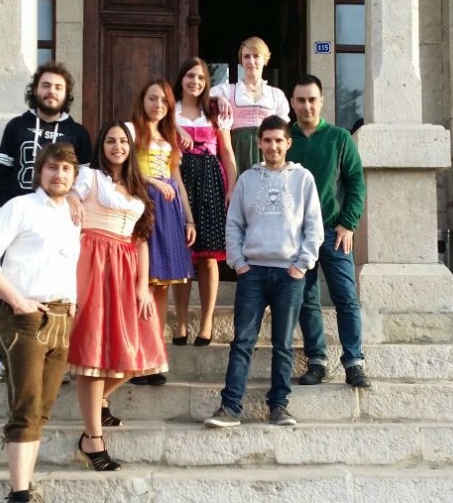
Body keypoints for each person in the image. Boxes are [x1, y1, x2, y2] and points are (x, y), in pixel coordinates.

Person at [0, 142, 80, 503]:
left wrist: (72, 302)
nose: (59, 174)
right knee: (25, 408)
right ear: (39, 171)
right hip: (25, 321)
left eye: (66, 169)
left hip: (61, 319)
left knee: (42, 410)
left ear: (74, 176)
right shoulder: (20, 207)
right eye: (53, 167)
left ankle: (25, 486)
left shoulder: (71, 216)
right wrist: (16, 301)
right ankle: (18, 494)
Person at [0, 61, 91, 386]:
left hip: (60, 225)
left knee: (56, 290)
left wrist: (70, 201)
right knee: (8, 288)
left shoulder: (78, 133)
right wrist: (19, 214)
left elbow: (84, 180)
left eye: (58, 87)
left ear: (66, 94)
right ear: (36, 90)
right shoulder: (16, 127)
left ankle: (52, 358)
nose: (51, 92)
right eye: (46, 85)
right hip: (21, 225)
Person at [204, 115, 323, 428]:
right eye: (267, 140)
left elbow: (314, 226)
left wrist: (302, 264)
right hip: (253, 272)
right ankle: (230, 408)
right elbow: (234, 224)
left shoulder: (303, 179)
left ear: (288, 143)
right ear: (259, 142)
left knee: (283, 344)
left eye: (278, 140)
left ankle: (279, 406)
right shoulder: (247, 179)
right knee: (242, 342)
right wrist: (239, 263)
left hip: (289, 274)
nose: (273, 146)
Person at [66, 121, 163, 471]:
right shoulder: (89, 177)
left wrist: (143, 285)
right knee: (93, 353)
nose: (117, 146)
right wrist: (72, 199)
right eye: (110, 140)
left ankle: (98, 403)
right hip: (93, 264)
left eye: (123, 141)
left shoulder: (136, 186)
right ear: (102, 145)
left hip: (126, 268)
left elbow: (141, 240)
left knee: (140, 351)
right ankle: (93, 438)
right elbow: (69, 196)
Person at [287, 75, 371, 388]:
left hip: (334, 232)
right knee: (306, 298)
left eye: (312, 99)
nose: (306, 105)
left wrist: (348, 222)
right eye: (300, 100)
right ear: (292, 102)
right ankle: (317, 361)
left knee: (346, 297)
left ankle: (354, 362)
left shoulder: (339, 138)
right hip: (297, 235)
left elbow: (356, 182)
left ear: (321, 101)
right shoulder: (285, 139)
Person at [127, 79, 196, 385]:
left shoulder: (169, 136)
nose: (158, 105)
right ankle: (136, 358)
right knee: (141, 284)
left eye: (164, 101)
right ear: (142, 100)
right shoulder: (131, 131)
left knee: (162, 287)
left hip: (169, 211)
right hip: (142, 206)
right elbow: (123, 168)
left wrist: (189, 220)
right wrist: (152, 181)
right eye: (152, 98)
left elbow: (177, 181)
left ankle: (154, 358)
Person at [170, 57, 238, 347]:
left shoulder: (214, 112)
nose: (195, 82)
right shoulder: (170, 111)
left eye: (200, 77)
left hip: (210, 179)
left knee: (209, 257)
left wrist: (231, 188)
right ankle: (181, 322)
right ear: (181, 79)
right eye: (190, 76)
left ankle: (207, 322)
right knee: (182, 255)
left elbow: (227, 152)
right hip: (179, 179)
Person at [211, 37, 290, 175]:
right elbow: (199, 97)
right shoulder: (228, 90)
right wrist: (218, 98)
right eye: (246, 56)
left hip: (267, 150)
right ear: (241, 61)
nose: (251, 61)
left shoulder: (276, 95)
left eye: (256, 56)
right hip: (238, 150)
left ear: (265, 59)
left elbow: (283, 133)